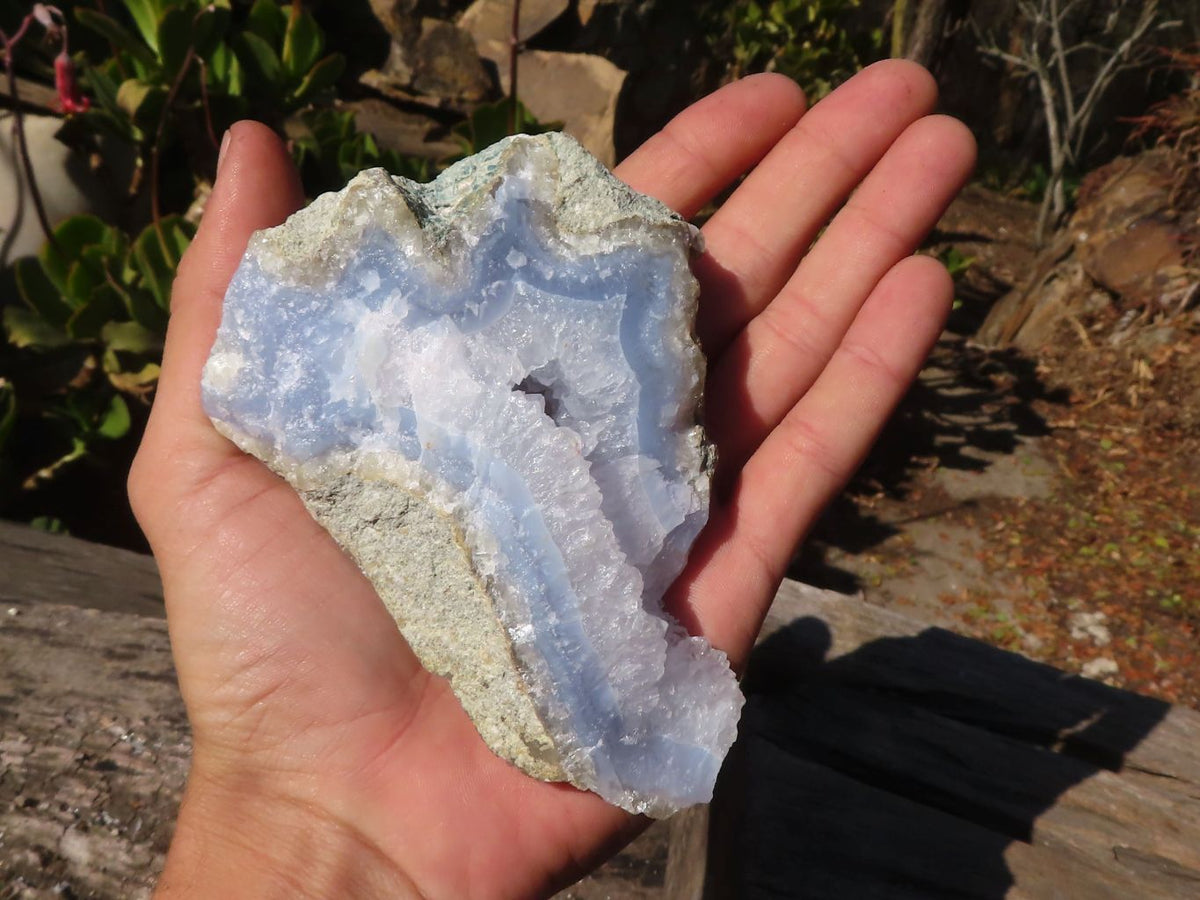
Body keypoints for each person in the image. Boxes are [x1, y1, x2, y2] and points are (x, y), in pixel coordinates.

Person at [129, 59, 975, 898]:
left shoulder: (335, 332)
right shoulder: (316, 345)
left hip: (600, 669)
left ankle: (632, 710)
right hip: (580, 680)